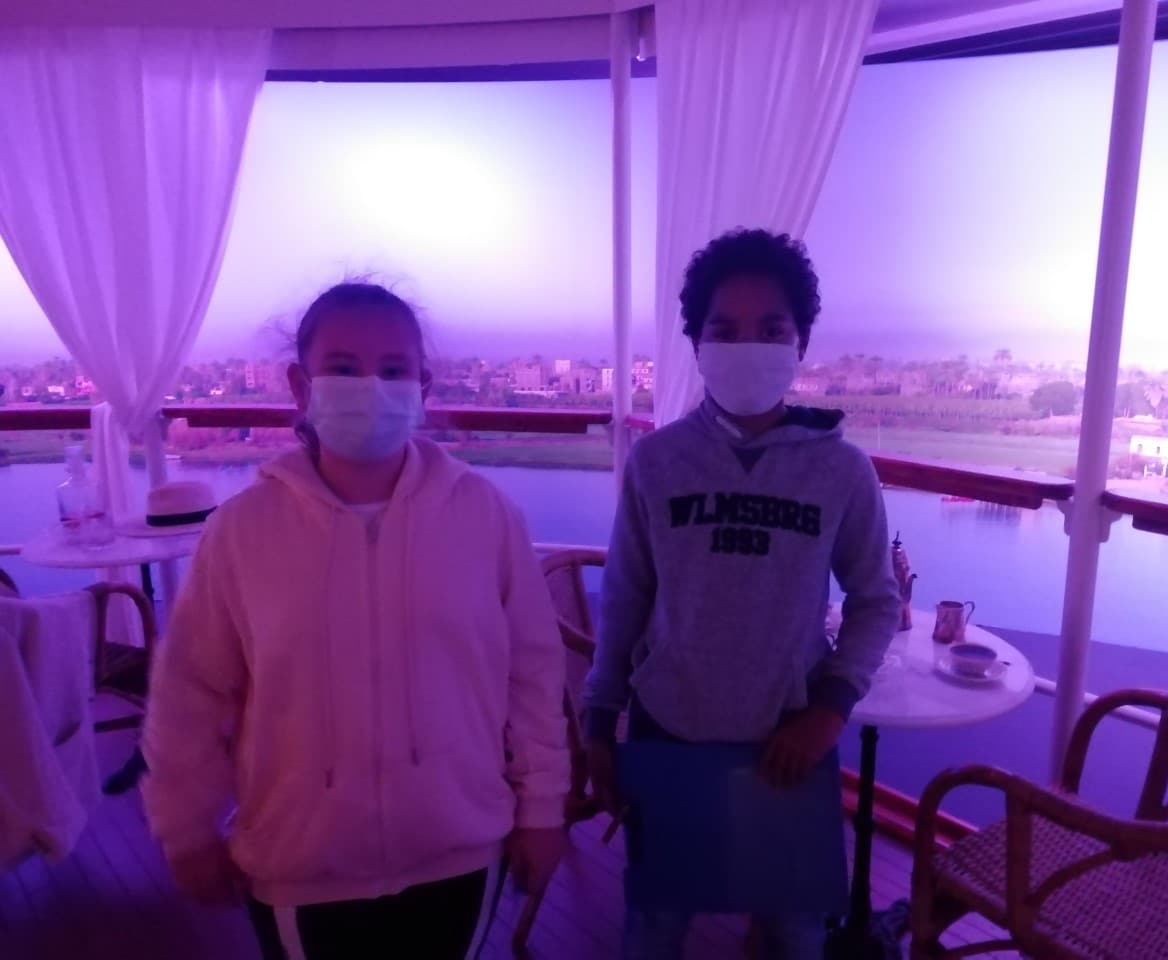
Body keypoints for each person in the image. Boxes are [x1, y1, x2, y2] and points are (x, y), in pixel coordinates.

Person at [142, 282, 569, 960]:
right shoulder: (242, 532)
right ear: (300, 385)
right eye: (343, 367)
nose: (371, 386)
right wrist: (185, 828)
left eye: (393, 369)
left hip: (460, 850)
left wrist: (543, 807)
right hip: (300, 865)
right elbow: (189, 692)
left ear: (422, 387)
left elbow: (533, 675)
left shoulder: (485, 517)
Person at [583, 229, 900, 959]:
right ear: (696, 344)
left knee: (793, 934)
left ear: (800, 342)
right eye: (724, 330)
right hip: (667, 731)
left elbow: (876, 600)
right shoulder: (657, 461)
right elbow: (625, 598)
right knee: (655, 926)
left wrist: (829, 710)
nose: (747, 346)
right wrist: (599, 724)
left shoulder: (842, 471)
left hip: (787, 741)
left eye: (771, 329)